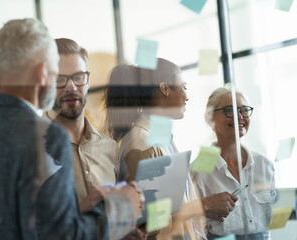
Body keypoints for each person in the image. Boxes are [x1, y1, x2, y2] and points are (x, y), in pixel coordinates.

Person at [0, 18, 141, 240]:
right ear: (43, 70)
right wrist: (120, 210)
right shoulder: (46, 137)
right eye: (56, 72)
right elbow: (61, 236)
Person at [104, 59, 238, 240]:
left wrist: (201, 210)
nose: (187, 96)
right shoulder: (142, 144)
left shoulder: (160, 139)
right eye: (183, 86)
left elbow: (170, 204)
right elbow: (150, 220)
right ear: (165, 89)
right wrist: (204, 204)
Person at [44, 38, 146, 239]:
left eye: (78, 77)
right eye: (59, 79)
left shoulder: (109, 147)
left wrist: (128, 231)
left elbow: (114, 223)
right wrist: (84, 206)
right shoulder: (29, 149)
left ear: (88, 80)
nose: (71, 87)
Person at [191, 87, 276, 240]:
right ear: (209, 118)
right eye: (229, 110)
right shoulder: (198, 170)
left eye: (244, 110)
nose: (239, 116)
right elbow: (193, 226)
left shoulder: (264, 164)